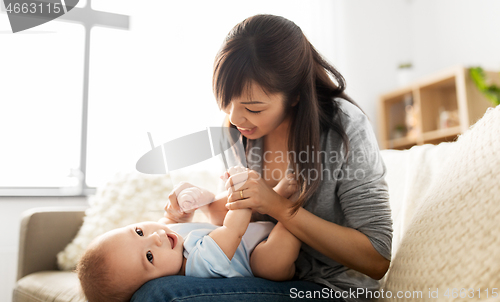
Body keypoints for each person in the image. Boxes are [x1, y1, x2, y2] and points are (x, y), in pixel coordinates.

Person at [134, 14, 392, 302]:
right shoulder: (238, 130)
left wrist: (281, 207)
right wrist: (194, 208)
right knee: (139, 282)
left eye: (253, 108)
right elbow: (243, 217)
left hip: (329, 286)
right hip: (255, 273)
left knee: (161, 294)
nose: (234, 116)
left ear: (295, 96)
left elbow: (377, 258)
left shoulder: (344, 128)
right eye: (226, 102)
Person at [76, 172, 300, 302]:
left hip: (253, 229)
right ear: (156, 282)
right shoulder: (198, 265)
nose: (156, 237)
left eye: (138, 231)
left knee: (217, 210)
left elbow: (172, 218)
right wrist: (243, 194)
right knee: (271, 263)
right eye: (149, 257)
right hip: (259, 253)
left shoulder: (166, 236)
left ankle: (275, 198)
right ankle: (290, 211)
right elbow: (233, 229)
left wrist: (184, 202)